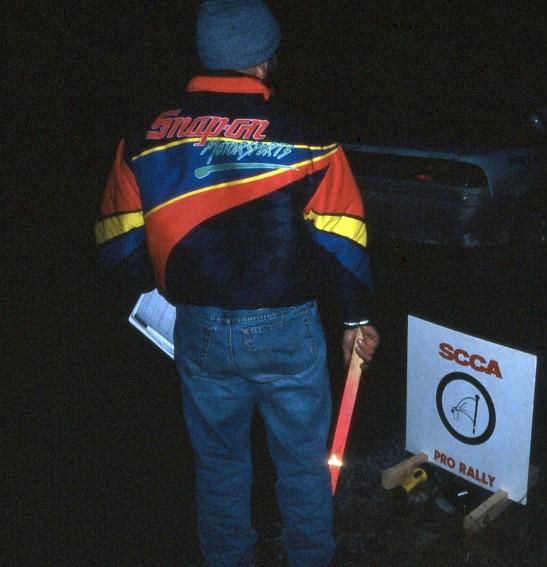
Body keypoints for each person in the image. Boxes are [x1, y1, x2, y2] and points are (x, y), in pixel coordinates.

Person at [94, 1, 379, 565]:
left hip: (197, 327)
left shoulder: (143, 139)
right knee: (300, 466)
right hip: (287, 329)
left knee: (220, 468)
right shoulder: (309, 139)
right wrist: (355, 320)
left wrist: (158, 287)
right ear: (266, 60)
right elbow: (343, 241)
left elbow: (116, 240)